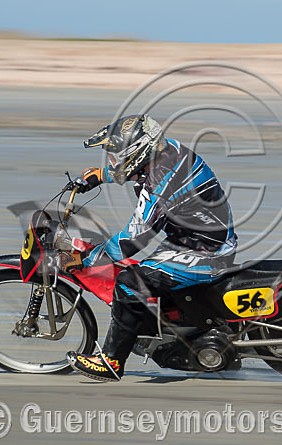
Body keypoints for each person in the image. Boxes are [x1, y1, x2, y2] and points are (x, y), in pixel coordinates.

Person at [61, 114, 237, 381]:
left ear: (136, 151)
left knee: (128, 282)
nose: (112, 160)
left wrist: (87, 258)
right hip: (203, 240)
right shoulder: (170, 150)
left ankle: (110, 362)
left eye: (115, 155)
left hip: (205, 253)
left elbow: (131, 240)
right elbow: (136, 168)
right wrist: (101, 176)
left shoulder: (159, 185)